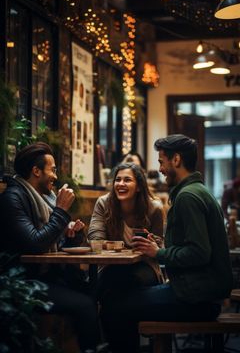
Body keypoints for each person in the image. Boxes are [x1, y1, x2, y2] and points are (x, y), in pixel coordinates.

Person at [100, 134, 233, 353]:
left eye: (162, 161)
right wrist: (159, 249)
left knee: (115, 306)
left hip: (197, 299)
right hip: (201, 295)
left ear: (176, 160)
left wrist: (158, 252)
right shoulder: (197, 191)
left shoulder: (188, 197)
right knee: (124, 293)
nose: (160, 169)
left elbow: (199, 253)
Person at [0, 142, 99, 353]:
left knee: (96, 292)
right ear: (36, 171)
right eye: (52, 169)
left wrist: (73, 236)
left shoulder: (44, 199)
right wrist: (61, 211)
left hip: (47, 276)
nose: (55, 176)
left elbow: (54, 243)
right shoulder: (12, 199)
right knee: (86, 305)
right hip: (24, 284)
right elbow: (35, 243)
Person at [88, 162, 164, 299]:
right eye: (118, 180)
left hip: (144, 265)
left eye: (127, 180)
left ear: (139, 187)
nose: (121, 184)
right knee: (107, 281)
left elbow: (159, 247)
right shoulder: (103, 203)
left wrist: (153, 244)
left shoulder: (154, 209)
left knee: (128, 281)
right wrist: (120, 249)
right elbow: (95, 240)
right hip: (111, 266)